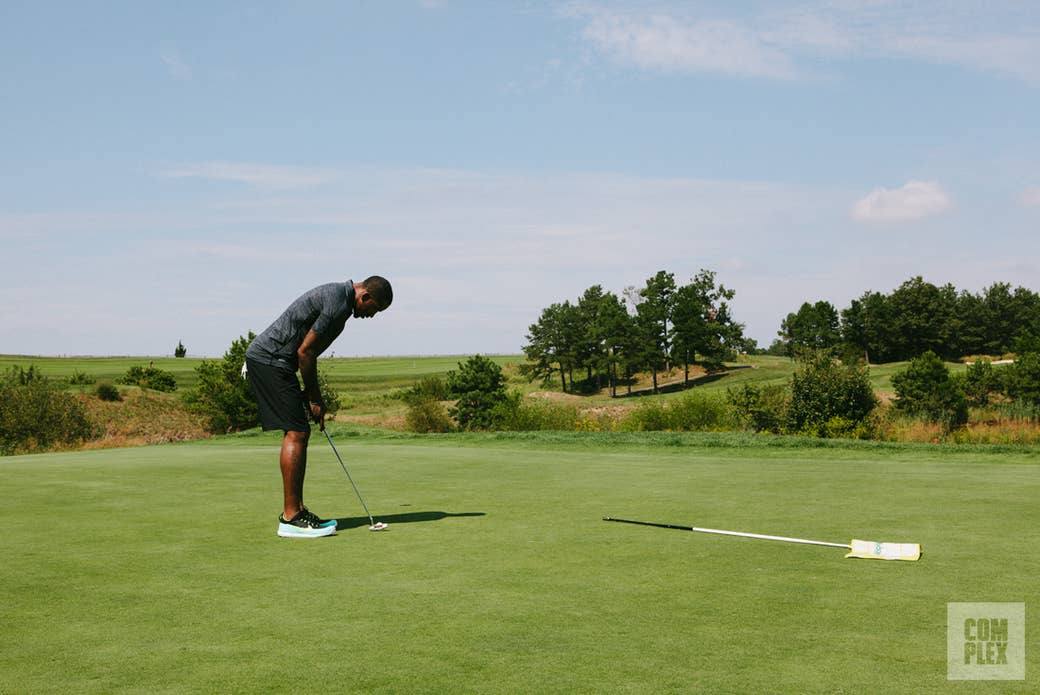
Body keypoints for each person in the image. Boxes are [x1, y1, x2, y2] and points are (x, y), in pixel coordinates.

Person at [245, 277, 393, 538]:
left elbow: (303, 351)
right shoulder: (338, 304)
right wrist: (315, 398)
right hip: (270, 360)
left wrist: (307, 392)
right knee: (297, 432)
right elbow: (306, 353)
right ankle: (291, 518)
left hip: (277, 361)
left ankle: (298, 511)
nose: (372, 316)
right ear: (365, 297)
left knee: (299, 431)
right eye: (375, 310)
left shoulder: (339, 298)